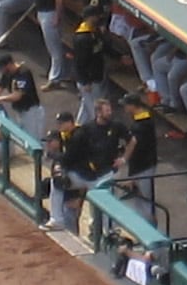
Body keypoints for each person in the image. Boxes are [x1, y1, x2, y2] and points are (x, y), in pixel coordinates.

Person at [43, 99, 134, 232]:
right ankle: (57, 220)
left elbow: (132, 141)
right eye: (106, 110)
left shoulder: (116, 126)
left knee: (106, 208)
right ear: (98, 112)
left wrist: (124, 159)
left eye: (109, 110)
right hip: (87, 174)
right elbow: (71, 156)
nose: (110, 113)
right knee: (57, 182)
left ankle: (111, 234)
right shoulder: (86, 129)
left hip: (105, 174)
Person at [0, 54, 45, 141]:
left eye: (1, 67)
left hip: (31, 112)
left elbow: (17, 96)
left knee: (35, 140)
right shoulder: (7, 74)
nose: (0, 70)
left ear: (9, 64)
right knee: (24, 139)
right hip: (19, 112)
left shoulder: (23, 73)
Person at [119, 93, 158, 221]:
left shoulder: (142, 124)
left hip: (143, 166)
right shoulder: (140, 119)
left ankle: (151, 232)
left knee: (145, 200)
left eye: (126, 105)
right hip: (139, 165)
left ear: (132, 106)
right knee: (138, 201)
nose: (124, 108)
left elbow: (135, 145)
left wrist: (124, 159)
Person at [35, 0, 67, 90]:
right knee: (52, 47)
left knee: (55, 49)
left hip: (50, 14)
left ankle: (55, 79)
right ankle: (59, 74)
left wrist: (57, 16)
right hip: (44, 13)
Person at [72, 5, 107, 125]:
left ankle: (78, 127)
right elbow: (79, 62)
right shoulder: (82, 37)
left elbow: (103, 47)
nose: (98, 18)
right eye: (96, 16)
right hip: (88, 80)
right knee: (95, 112)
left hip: (96, 76)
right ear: (90, 17)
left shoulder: (94, 31)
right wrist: (84, 81)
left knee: (86, 107)